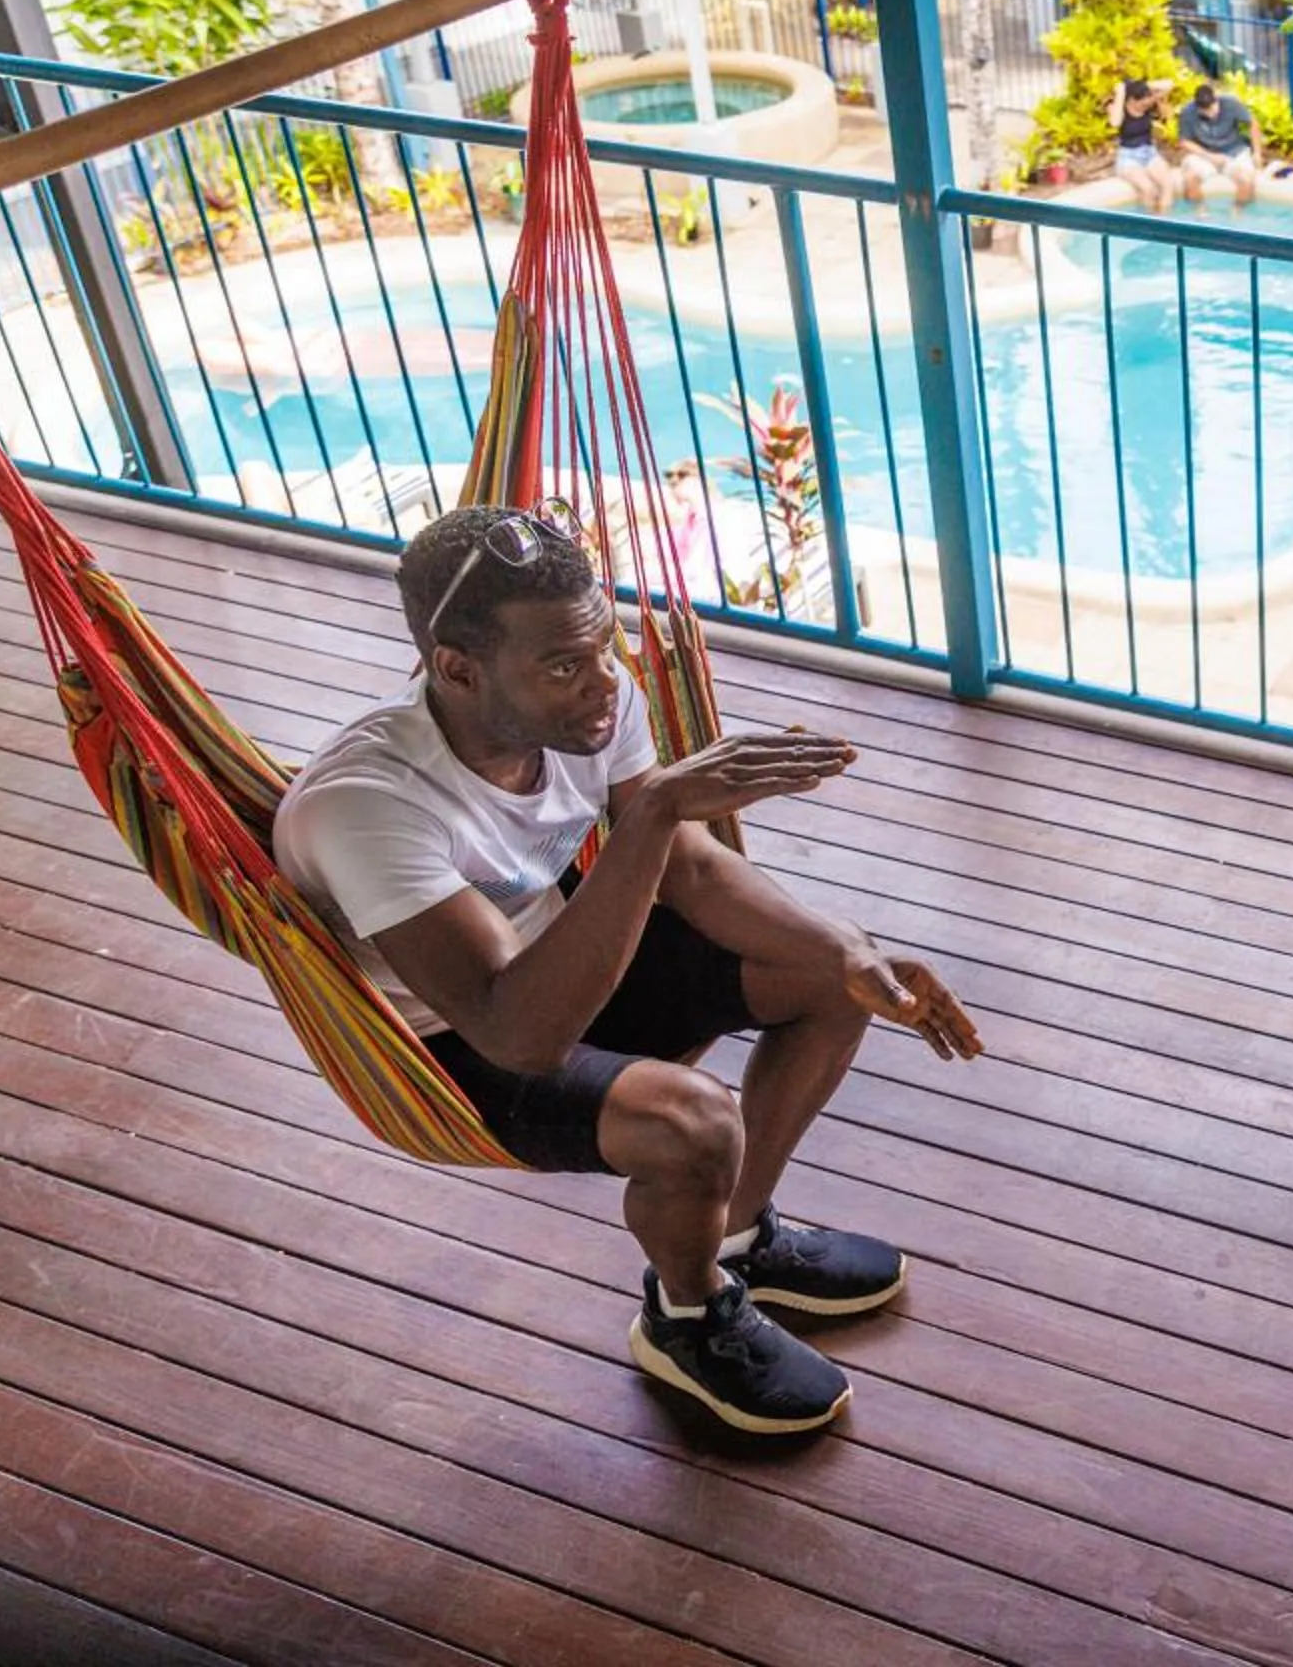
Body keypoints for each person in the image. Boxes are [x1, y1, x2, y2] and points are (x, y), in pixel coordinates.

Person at [274, 504, 985, 1436]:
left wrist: (848, 952)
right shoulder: (367, 807)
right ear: (455, 669)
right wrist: (651, 818)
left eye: (602, 648)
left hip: (568, 957)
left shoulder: (587, 704)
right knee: (695, 1123)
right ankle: (687, 1317)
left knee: (823, 971)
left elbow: (688, 866)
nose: (603, 685)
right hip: (459, 1040)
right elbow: (520, 1032)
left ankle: (736, 1230)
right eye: (565, 664)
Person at [1175, 82, 1264, 206]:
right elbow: (1184, 142)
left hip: (1234, 151)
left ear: (1216, 100)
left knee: (1246, 181)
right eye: (1205, 111)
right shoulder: (1188, 112)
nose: (1210, 114)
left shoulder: (1231, 103)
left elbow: (1253, 124)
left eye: (1212, 108)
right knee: (1190, 180)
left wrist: (1257, 153)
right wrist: (1210, 156)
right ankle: (1200, 215)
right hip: (1204, 153)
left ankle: (1236, 217)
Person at [1109, 74, 1181, 213]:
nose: (1146, 105)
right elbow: (1115, 122)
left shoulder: (1147, 105)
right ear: (1130, 100)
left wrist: (1141, 85)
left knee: (1168, 185)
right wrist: (1122, 91)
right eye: (1142, 103)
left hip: (1150, 153)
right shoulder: (1119, 108)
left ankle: (1164, 225)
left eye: (1147, 102)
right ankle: (1148, 230)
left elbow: (1169, 83)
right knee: (1149, 190)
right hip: (1128, 158)